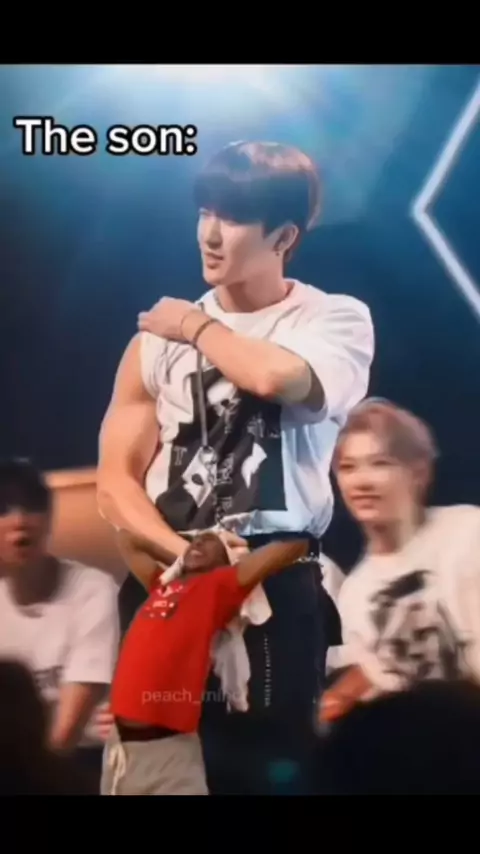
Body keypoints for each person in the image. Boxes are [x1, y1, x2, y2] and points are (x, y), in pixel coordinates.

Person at [97, 140, 374, 794]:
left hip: (273, 583)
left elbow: (278, 378)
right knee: (152, 775)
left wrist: (196, 328)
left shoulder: (332, 318)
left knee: (267, 773)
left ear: (284, 237)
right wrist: (188, 562)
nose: (210, 233)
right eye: (205, 211)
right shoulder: (152, 343)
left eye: (234, 217)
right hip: (169, 577)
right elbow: (114, 483)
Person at [101, 532, 308, 795]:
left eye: (209, 540)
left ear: (225, 561)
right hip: (119, 752)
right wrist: (183, 556)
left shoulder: (220, 586)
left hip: (168, 756)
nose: (197, 542)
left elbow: (294, 546)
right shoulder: (160, 585)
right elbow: (125, 539)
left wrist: (240, 558)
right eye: (195, 541)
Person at [319, 399, 480, 724]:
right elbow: (380, 674)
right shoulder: (355, 593)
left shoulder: (468, 532)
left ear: (418, 472)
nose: (361, 481)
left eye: (379, 463)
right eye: (348, 467)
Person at [0, 458, 119, 765]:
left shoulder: (92, 589)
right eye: (4, 510)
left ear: (50, 518)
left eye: (32, 507)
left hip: (82, 758)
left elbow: (66, 733)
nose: (19, 520)